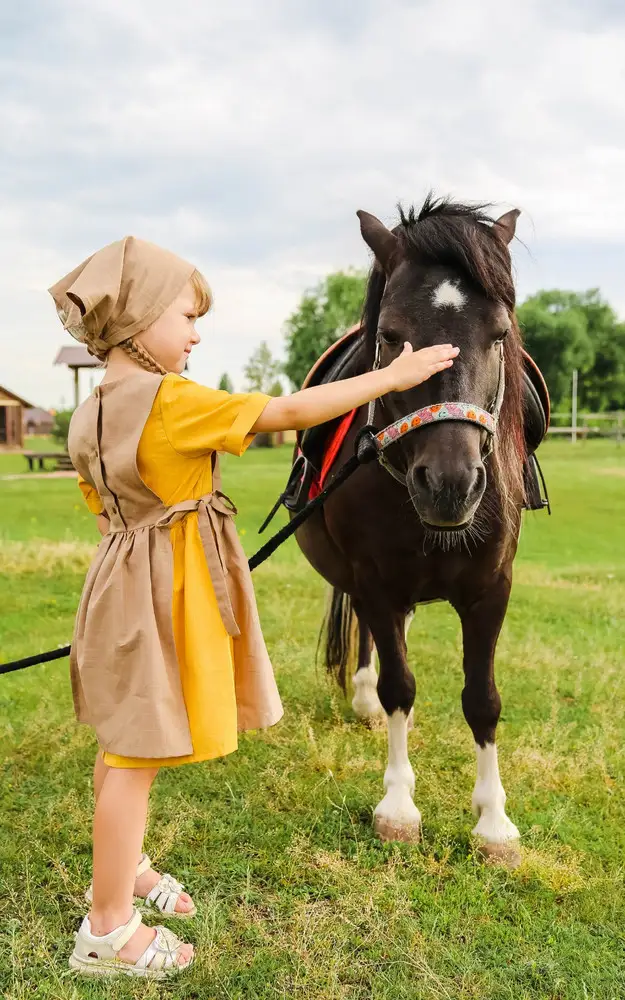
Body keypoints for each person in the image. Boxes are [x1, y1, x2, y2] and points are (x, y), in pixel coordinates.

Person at [49, 236, 458, 980]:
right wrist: (389, 375)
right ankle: (106, 929)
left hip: (116, 583)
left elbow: (107, 514)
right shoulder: (171, 401)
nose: (197, 333)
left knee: (123, 738)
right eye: (187, 316)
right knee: (137, 753)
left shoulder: (90, 412)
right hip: (163, 591)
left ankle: (124, 864)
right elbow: (290, 410)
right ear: (140, 322)